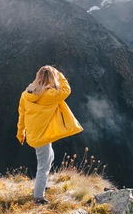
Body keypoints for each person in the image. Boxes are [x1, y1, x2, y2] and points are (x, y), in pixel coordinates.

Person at [16, 65, 83, 204]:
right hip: (42, 137)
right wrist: (58, 73)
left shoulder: (26, 94)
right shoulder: (50, 95)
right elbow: (66, 90)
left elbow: (21, 115)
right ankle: (38, 197)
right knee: (43, 166)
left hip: (35, 135)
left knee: (49, 157)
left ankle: (41, 185)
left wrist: (20, 132)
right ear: (51, 79)